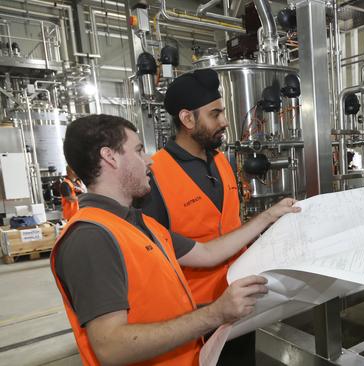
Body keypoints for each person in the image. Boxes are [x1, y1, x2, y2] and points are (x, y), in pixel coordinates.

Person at [51, 114, 299, 365]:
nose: (148, 161)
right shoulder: (91, 237)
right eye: (138, 150)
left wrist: (269, 216)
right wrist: (216, 313)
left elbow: (207, 253)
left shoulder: (140, 224)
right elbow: (111, 347)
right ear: (110, 157)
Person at [138, 69, 254, 364]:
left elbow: (232, 225)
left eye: (223, 112)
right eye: (215, 114)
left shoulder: (222, 162)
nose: (225, 122)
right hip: (195, 315)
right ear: (188, 119)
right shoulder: (155, 175)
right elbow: (154, 257)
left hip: (239, 301)